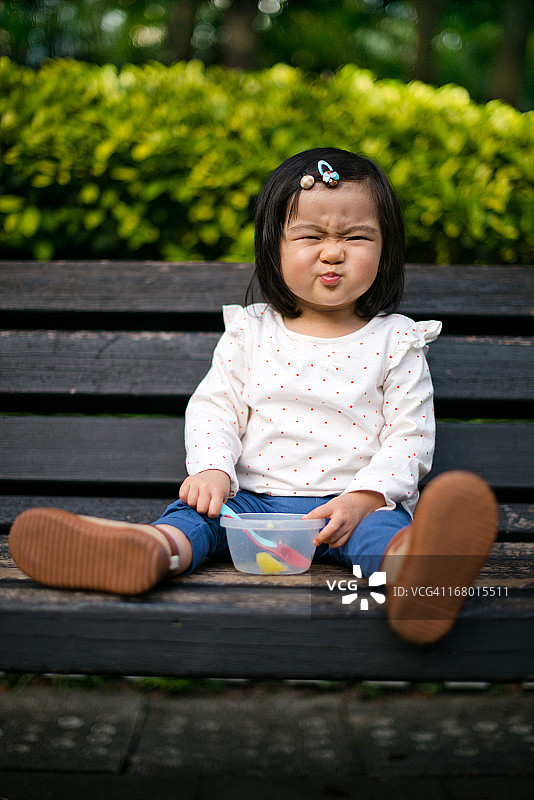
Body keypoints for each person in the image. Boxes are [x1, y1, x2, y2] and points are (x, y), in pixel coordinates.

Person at [9, 147, 498, 645]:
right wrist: (213, 469)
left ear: (385, 248)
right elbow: (215, 406)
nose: (333, 252)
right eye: (310, 236)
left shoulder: (397, 341)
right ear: (273, 247)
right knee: (197, 520)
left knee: (381, 534)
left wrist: (367, 496)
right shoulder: (252, 331)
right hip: (251, 509)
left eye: (356, 237)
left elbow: (409, 434)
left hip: (352, 505)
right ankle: (148, 550)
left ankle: (418, 577)